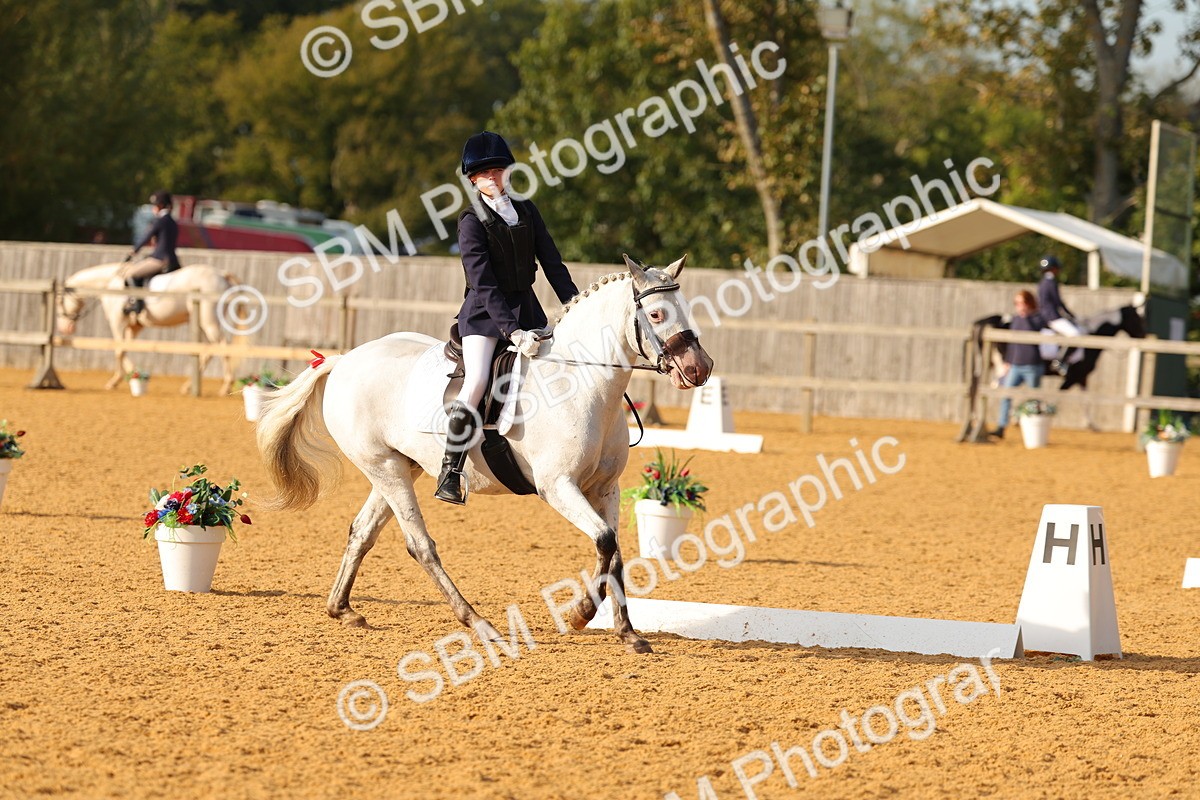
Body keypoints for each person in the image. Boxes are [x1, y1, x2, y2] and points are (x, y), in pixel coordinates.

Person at [434, 131, 580, 505]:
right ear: (472, 179)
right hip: (484, 315)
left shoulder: (526, 210)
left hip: (528, 308)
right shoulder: (470, 221)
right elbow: (483, 283)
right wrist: (512, 331)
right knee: (478, 380)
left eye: (498, 170)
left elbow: (553, 263)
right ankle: (450, 471)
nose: (493, 177)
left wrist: (576, 306)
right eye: (484, 173)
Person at [990, 290, 1047, 439]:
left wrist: (1026, 316)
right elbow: (1013, 343)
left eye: (1022, 302)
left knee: (1034, 400)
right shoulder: (1015, 319)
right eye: (1016, 303)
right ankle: (1001, 426)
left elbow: (1032, 332)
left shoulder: (1037, 319)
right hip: (1016, 365)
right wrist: (1008, 361)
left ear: (1029, 303)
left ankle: (1035, 433)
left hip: (1032, 365)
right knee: (1006, 394)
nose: (1019, 306)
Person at [120, 190, 181, 317]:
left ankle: (138, 304)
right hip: (173, 258)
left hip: (160, 259)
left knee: (131, 274)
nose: (153, 208)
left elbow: (146, 237)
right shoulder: (173, 221)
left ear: (160, 205)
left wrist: (134, 251)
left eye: (155, 205)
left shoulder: (160, 221)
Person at [1036, 255, 1083, 374]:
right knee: (1075, 334)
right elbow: (1058, 302)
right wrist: (1069, 314)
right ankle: (1059, 361)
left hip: (1045, 315)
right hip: (1052, 317)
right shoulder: (1051, 282)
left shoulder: (1042, 282)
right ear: (1054, 268)